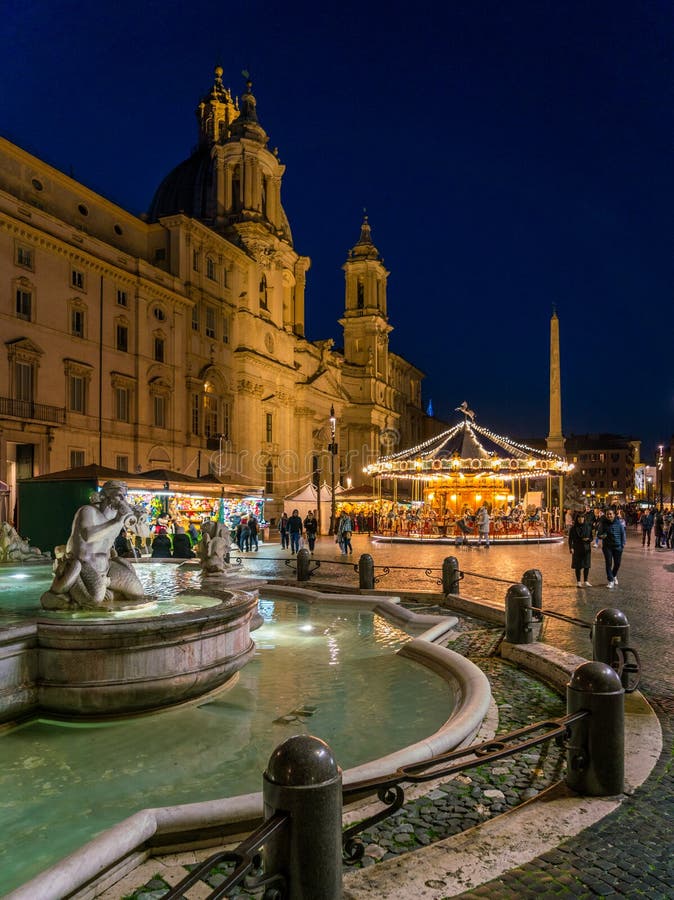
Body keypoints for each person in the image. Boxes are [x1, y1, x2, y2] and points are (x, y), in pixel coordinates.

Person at [596, 508, 626, 588]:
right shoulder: (603, 524)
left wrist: (622, 545)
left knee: (617, 564)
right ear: (606, 515)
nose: (609, 515)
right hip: (607, 547)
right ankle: (610, 580)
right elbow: (598, 535)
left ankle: (614, 575)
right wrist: (601, 536)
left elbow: (623, 534)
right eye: (608, 514)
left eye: (610, 514)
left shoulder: (619, 523)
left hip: (618, 546)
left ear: (614, 515)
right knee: (608, 563)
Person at [568, 511, 593, 586]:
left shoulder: (588, 527)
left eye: (582, 518)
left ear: (584, 519)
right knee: (578, 566)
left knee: (586, 565)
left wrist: (588, 539)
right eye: (579, 518)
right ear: (577, 519)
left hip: (586, 548)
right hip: (577, 548)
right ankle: (578, 581)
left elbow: (591, 538)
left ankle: (586, 581)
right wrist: (571, 548)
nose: (581, 519)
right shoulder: (573, 528)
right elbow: (570, 539)